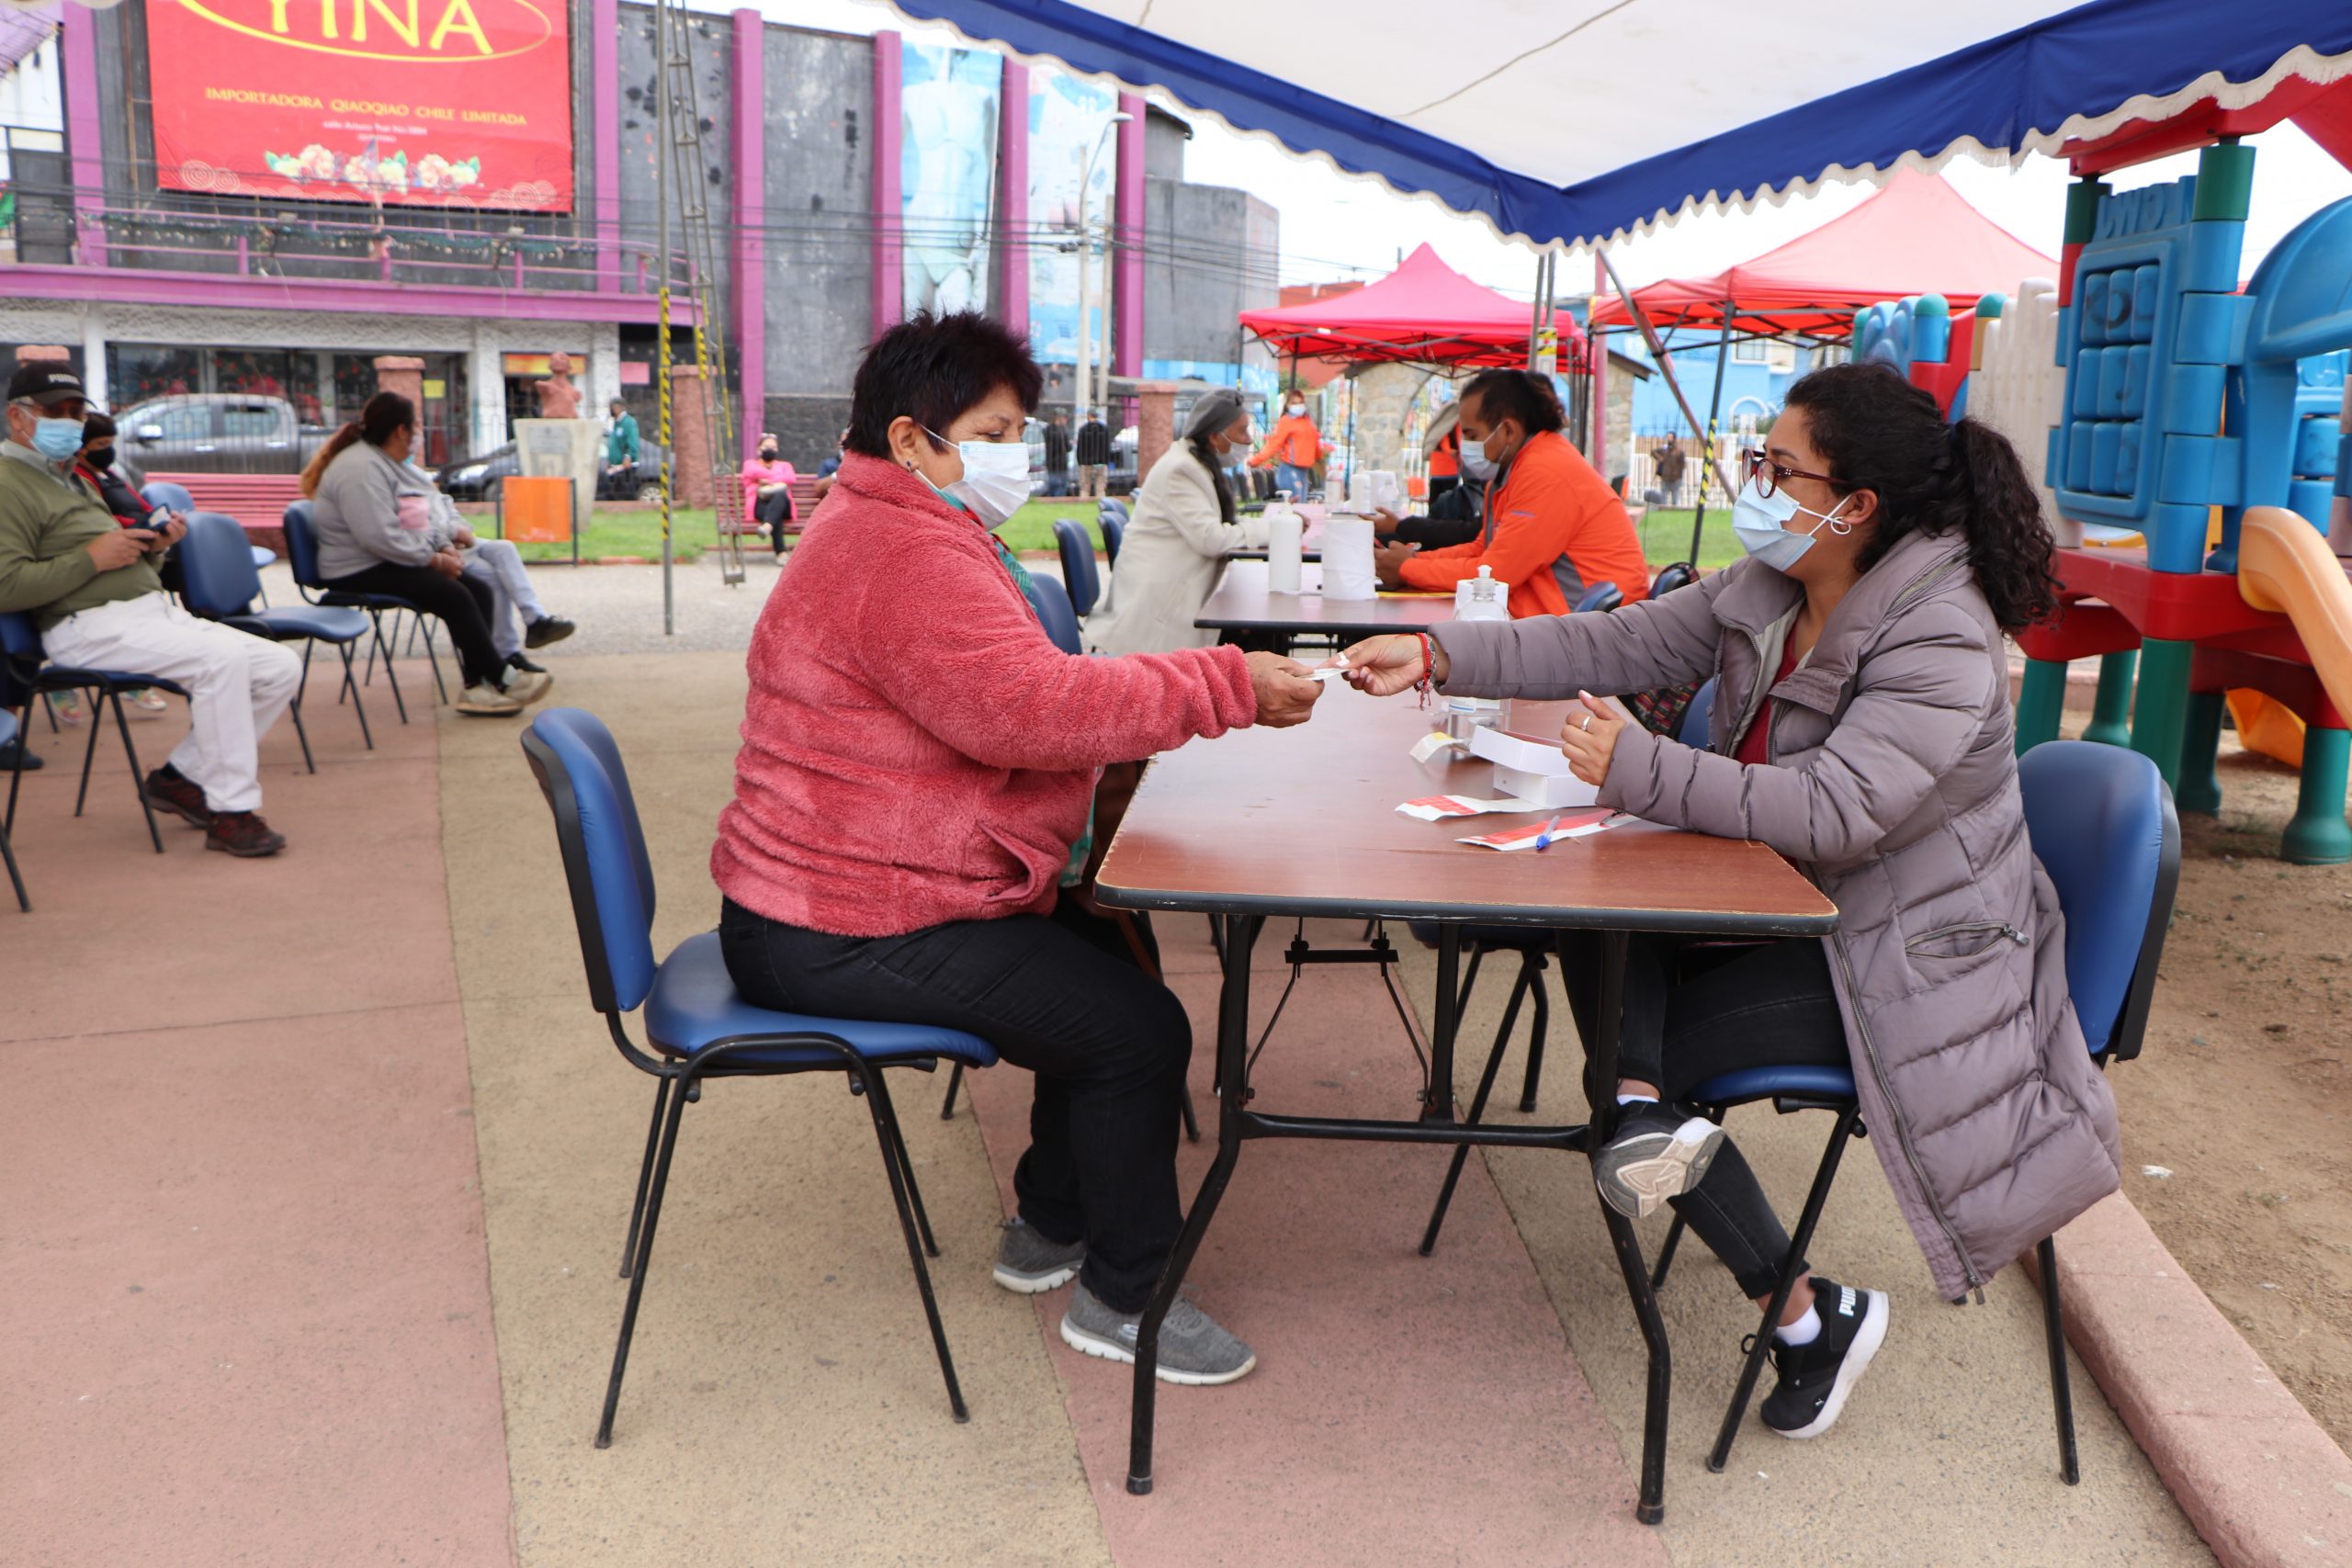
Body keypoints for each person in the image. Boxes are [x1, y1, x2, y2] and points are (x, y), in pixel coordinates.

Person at [1340, 361, 2120, 1440]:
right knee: (1594, 914)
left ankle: (1805, 1314)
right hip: (1785, 906)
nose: (1753, 482)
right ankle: (1641, 1106)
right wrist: (1440, 649)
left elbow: (1837, 810)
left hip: (1909, 958)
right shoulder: (1776, 582)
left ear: (1855, 506)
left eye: (1777, 466)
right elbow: (1608, 641)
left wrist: (1638, 767)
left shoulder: (1940, 634)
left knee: (1647, 1060)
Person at [712, 310, 1323, 1386]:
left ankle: (1048, 1225)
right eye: (994, 430)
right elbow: (1023, 709)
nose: (1014, 453)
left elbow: (1008, 701)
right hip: (836, 918)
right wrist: (1223, 684)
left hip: (849, 888)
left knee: (1097, 967)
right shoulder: (897, 547)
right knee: (1135, 1030)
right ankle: (1125, 1301)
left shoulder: (897, 522)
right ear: (912, 438)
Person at [0, 365, 300, 856]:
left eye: (78, 412)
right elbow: (7, 585)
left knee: (279, 666)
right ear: (18, 417)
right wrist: (91, 558)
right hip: (84, 626)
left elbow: (116, 559)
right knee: (222, 663)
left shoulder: (73, 476)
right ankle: (231, 811)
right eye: (58, 412)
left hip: (145, 613)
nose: (73, 423)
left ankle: (179, 779)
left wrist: (154, 547)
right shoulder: (8, 483)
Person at [302, 391, 551, 717]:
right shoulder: (360, 469)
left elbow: (414, 518)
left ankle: (477, 688)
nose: (419, 434)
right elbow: (380, 538)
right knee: (454, 595)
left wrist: (442, 545)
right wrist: (434, 560)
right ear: (401, 431)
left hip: (378, 559)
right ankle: (502, 678)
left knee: (477, 587)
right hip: (354, 569)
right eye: (416, 426)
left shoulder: (381, 463)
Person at [1374, 368, 1648, 616]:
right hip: (1570, 624)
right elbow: (1482, 549)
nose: (1463, 446)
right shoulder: (1517, 470)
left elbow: (1496, 574)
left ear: (1507, 430)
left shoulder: (1545, 472)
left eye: (1471, 435)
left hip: (1590, 635)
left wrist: (1407, 568)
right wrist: (1414, 560)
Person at [1086, 389, 1267, 656]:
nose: (1249, 440)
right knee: (1257, 637)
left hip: (1171, 595)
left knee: (1256, 627)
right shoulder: (1180, 469)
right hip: (1158, 612)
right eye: (1242, 431)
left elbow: (1217, 525)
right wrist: (1272, 530)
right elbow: (1211, 539)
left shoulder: (1197, 464)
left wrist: (1269, 527)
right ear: (1215, 436)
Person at [67, 413, 175, 718]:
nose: (108, 450)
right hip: (118, 550)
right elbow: (101, 521)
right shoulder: (79, 478)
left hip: (140, 546)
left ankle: (212, 624)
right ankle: (132, 674)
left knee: (186, 564)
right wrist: (140, 527)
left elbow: (143, 507)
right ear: (83, 447)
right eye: (102, 444)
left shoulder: (110, 474)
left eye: (111, 443)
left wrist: (161, 523)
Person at [1249, 390, 1321, 499]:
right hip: (1289, 469)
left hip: (1303, 470)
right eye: (1294, 403)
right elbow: (1274, 444)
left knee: (1300, 505)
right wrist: (1256, 461)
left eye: (1300, 402)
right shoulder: (1286, 421)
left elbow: (1315, 446)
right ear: (1287, 405)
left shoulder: (1307, 422)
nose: (1298, 406)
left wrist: (1322, 467)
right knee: (1295, 504)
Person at [739, 434, 797, 558]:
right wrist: (778, 480)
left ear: (777, 450)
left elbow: (791, 478)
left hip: (784, 504)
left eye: (773, 447)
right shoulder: (750, 464)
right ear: (759, 449)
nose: (770, 449)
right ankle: (780, 552)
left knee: (780, 495)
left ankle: (767, 527)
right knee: (775, 514)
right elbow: (751, 472)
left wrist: (767, 480)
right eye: (766, 446)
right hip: (759, 505)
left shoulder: (785, 465)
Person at [1074, 409, 1112, 500]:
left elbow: (1080, 448)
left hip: (1086, 462)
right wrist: (1106, 461)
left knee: (1085, 487)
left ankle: (1083, 502)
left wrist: (1080, 461)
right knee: (1100, 487)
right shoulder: (1104, 429)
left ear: (1088, 416)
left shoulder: (1083, 429)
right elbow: (1107, 447)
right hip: (1101, 462)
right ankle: (1101, 501)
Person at [605, 399, 640, 483]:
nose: (612, 410)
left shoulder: (628, 422)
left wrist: (628, 456)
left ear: (620, 407)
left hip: (625, 466)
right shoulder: (617, 423)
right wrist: (610, 460)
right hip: (616, 467)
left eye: (613, 407)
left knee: (626, 492)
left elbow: (633, 441)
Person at [812, 428, 848, 502]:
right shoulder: (829, 464)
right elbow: (819, 490)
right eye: (844, 443)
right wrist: (838, 474)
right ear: (839, 444)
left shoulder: (866, 464)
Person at [1043, 410, 1073, 497]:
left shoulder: (1047, 430)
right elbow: (1068, 448)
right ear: (1060, 418)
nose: (1066, 420)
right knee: (1061, 488)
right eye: (1064, 418)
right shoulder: (1062, 431)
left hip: (1051, 464)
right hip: (1061, 464)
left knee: (1052, 487)